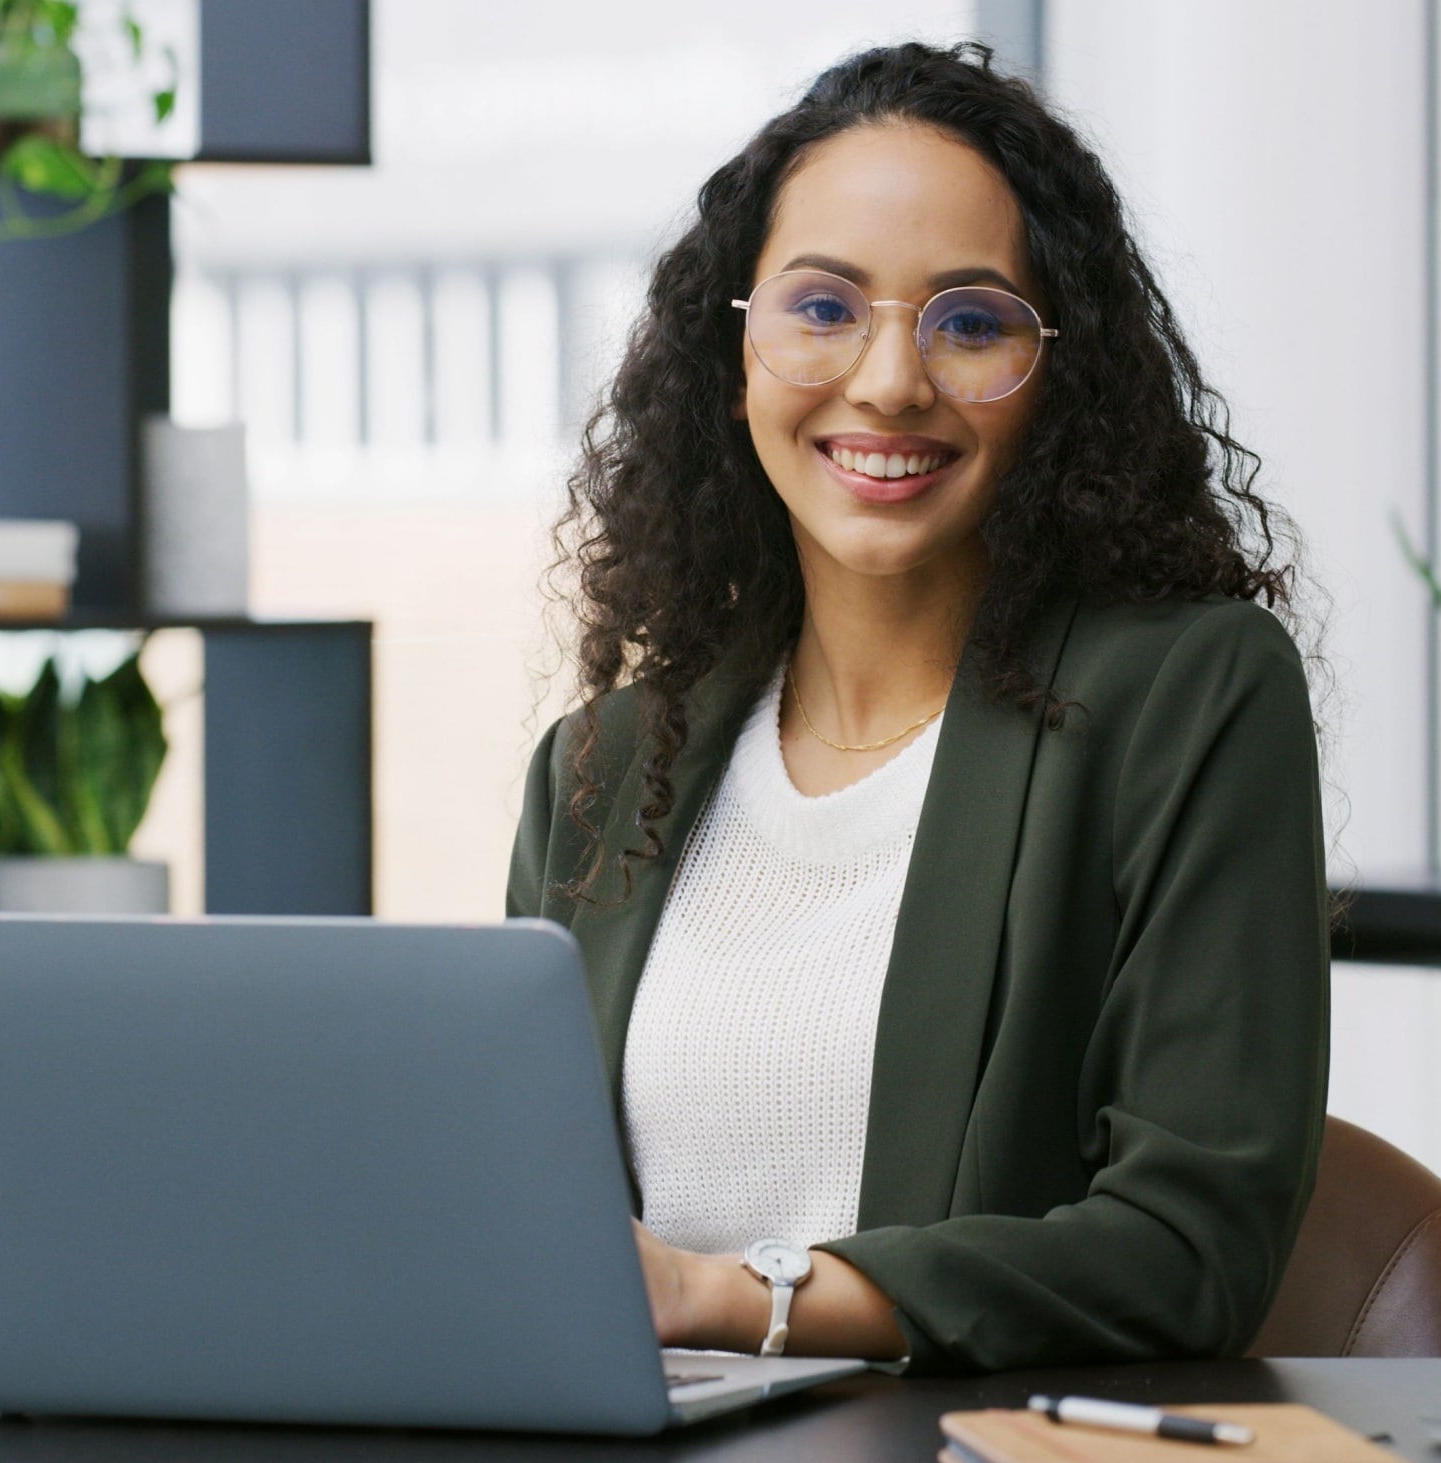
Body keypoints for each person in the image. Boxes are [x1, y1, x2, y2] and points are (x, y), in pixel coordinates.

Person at [507, 41, 1326, 1375]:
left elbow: (1192, 1249)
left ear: (1059, 378)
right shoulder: (604, 767)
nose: (889, 382)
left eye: (971, 323)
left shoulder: (1188, 696)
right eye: (822, 308)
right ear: (735, 352)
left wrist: (744, 1299)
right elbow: (525, 1223)